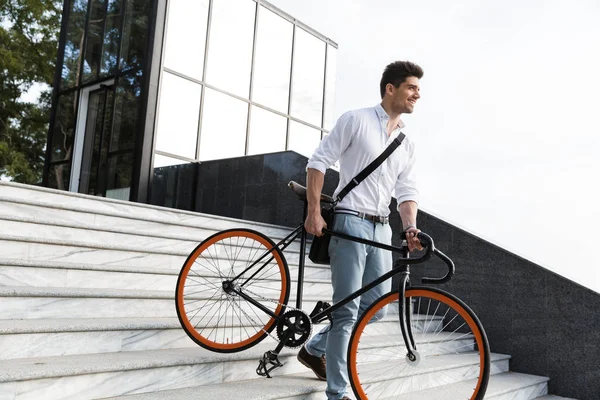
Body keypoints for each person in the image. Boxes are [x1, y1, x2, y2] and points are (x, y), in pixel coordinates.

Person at [297, 61, 424, 400]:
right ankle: (338, 392)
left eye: (418, 89)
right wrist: (313, 211)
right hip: (350, 220)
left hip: (382, 229)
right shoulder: (356, 120)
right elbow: (318, 161)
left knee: (377, 308)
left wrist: (410, 227)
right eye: (412, 87)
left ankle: (315, 347)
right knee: (347, 310)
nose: (417, 94)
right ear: (391, 89)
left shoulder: (406, 144)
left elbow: (407, 193)